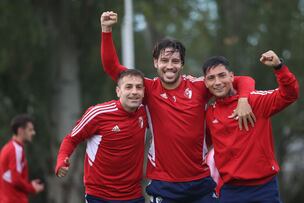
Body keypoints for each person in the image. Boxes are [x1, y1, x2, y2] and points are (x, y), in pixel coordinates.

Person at [100, 11, 256, 203]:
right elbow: (111, 66)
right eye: (164, 61)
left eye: (175, 61)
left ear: (182, 64)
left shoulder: (199, 87)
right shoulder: (148, 88)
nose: (169, 66)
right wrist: (106, 30)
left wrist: (243, 99)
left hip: (200, 182)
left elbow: (243, 80)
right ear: (156, 62)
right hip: (164, 184)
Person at [204, 51, 299, 203]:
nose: (217, 82)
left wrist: (279, 67)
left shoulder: (255, 101)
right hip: (230, 191)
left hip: (264, 189)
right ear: (205, 83)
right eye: (211, 78)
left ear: (231, 76)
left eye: (222, 75)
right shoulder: (209, 112)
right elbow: (201, 145)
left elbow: (290, 94)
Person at [55, 69, 148, 203]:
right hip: (99, 196)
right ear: (118, 91)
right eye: (128, 87)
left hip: (133, 195)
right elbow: (71, 138)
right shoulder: (98, 113)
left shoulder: (145, 112)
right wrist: (62, 159)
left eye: (138, 87)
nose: (134, 92)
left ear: (144, 92)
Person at [0, 114, 45, 203]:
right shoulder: (16, 149)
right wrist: (32, 188)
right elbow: (16, 180)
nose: (33, 133)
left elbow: (12, 177)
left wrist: (29, 184)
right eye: (30, 130)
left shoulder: (8, 147)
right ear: (20, 131)